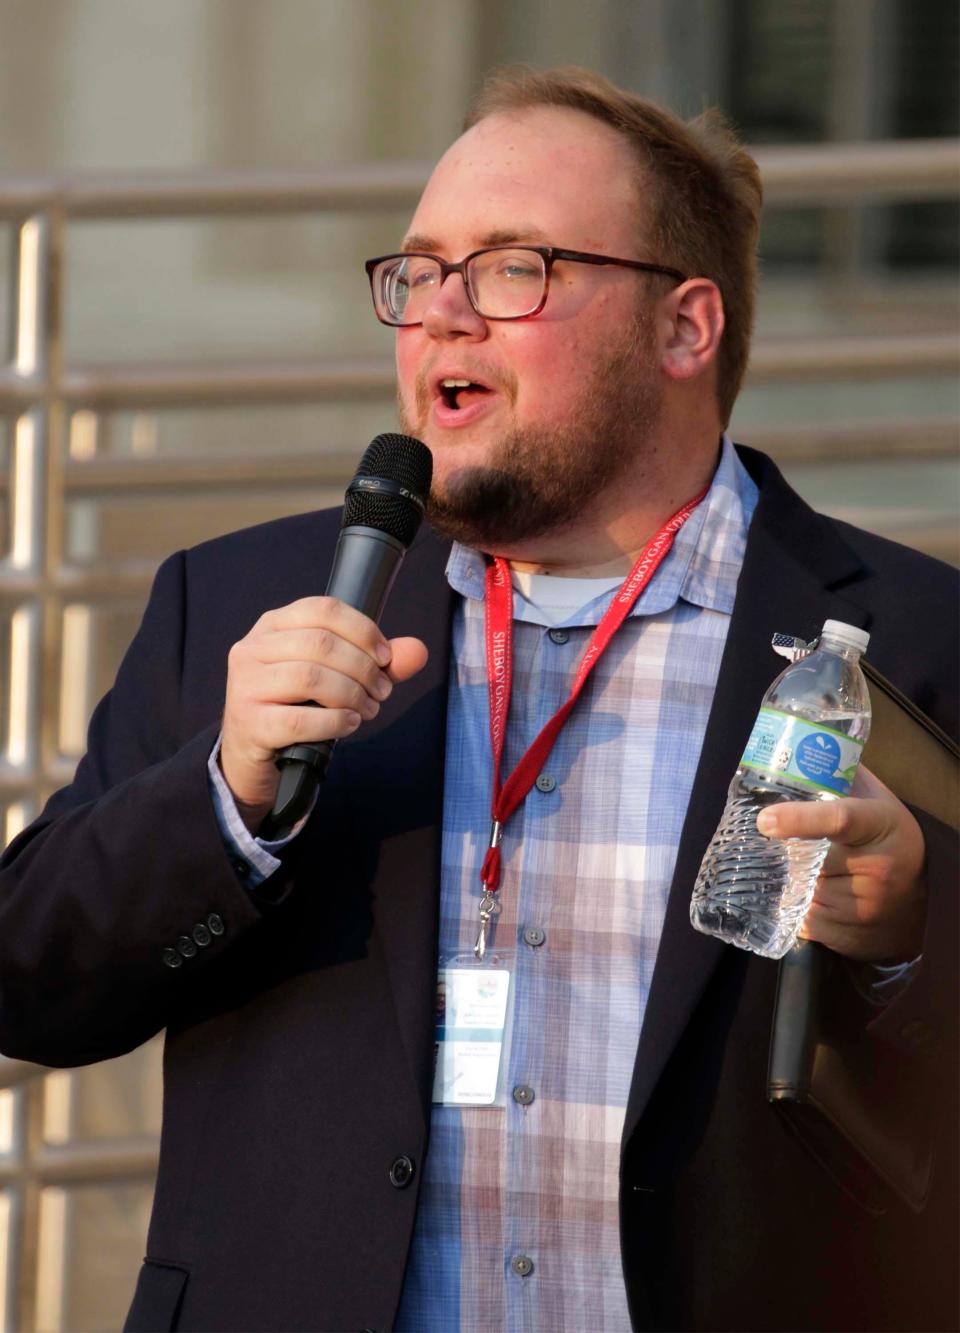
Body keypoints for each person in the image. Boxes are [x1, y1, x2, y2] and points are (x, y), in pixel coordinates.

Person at [0, 67, 956, 1333]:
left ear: (686, 328)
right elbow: (32, 984)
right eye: (417, 271)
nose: (442, 315)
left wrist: (907, 940)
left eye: (515, 268)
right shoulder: (241, 603)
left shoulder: (919, 637)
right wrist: (225, 797)